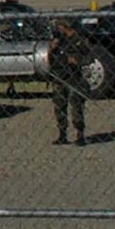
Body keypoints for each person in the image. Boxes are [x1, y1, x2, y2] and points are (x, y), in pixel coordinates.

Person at [47, 16, 90, 146]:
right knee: (59, 105)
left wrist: (76, 60)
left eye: (60, 26)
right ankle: (62, 133)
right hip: (59, 76)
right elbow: (49, 59)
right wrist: (52, 48)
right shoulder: (59, 41)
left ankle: (80, 133)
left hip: (74, 77)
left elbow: (88, 58)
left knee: (76, 105)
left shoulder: (79, 40)